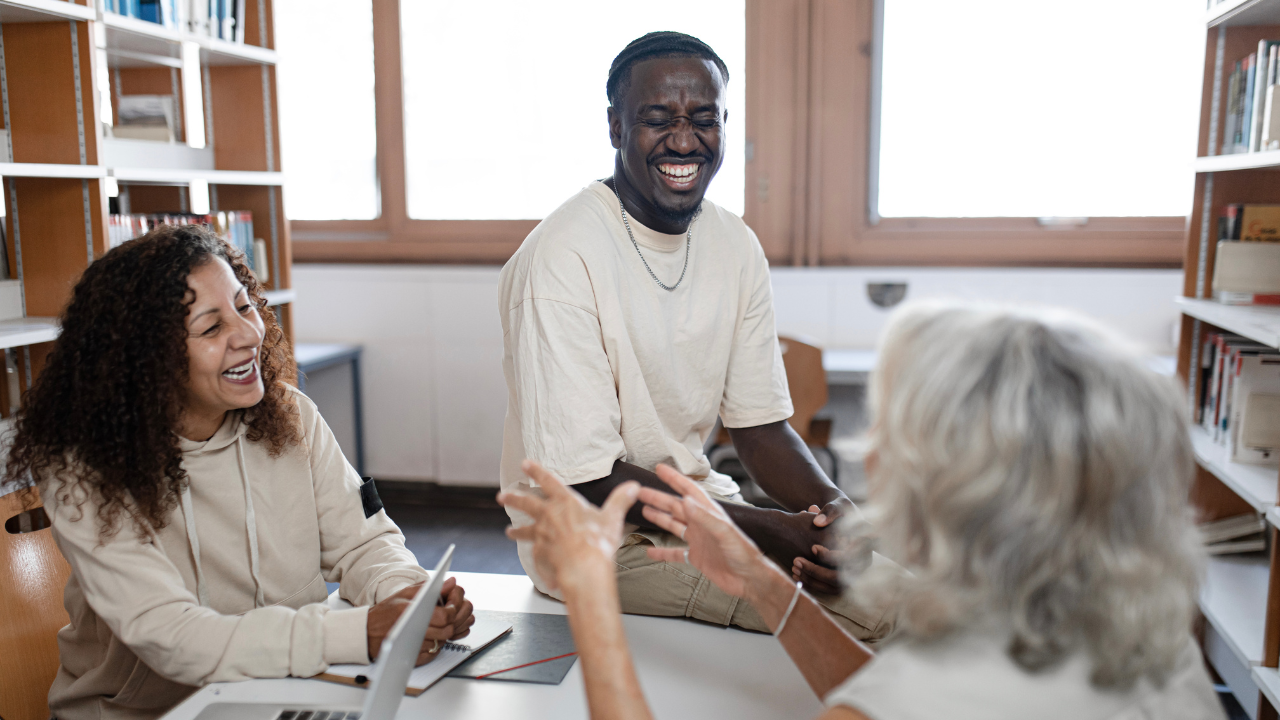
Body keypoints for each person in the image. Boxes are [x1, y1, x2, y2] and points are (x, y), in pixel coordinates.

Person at [499, 302, 1227, 720]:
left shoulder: (931, 693)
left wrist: (592, 597)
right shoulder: (1161, 652)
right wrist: (766, 588)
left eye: (891, 434)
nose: (869, 452)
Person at [497, 30, 887, 637]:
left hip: (705, 509)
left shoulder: (735, 244)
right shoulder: (561, 257)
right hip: (593, 544)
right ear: (615, 127)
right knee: (880, 620)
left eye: (705, 119)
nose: (684, 141)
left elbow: (760, 427)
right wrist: (768, 532)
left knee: (912, 597)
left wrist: (834, 511)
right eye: (657, 120)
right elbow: (587, 478)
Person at [6, 225, 475, 720]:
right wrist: (359, 632)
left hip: (285, 692)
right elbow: (174, 637)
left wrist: (407, 598)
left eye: (244, 306)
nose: (250, 334)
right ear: (144, 360)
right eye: (210, 328)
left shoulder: (289, 415)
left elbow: (363, 544)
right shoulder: (86, 467)